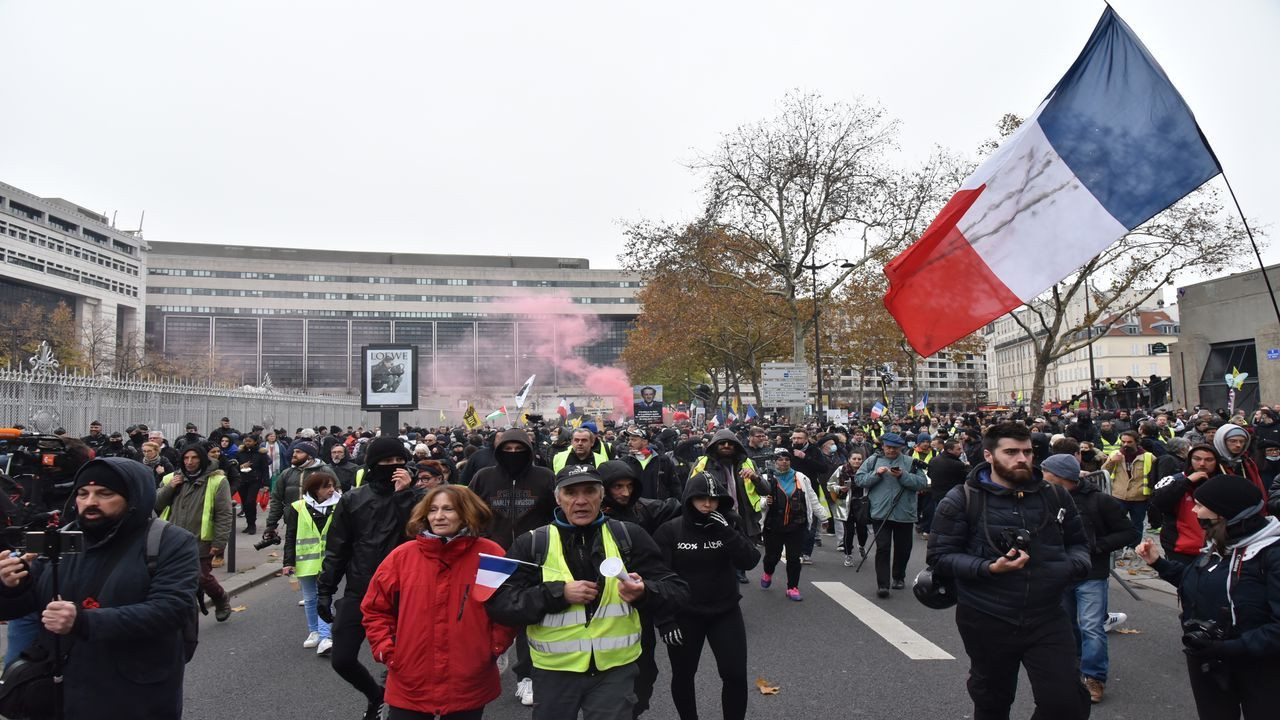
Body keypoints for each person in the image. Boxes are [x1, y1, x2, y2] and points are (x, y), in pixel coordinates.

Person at [484, 465, 690, 720]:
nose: (581, 501)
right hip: (554, 673)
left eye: (590, 491)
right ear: (558, 498)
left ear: (601, 496)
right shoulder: (533, 543)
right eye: (571, 493)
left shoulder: (628, 536)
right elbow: (500, 604)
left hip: (615, 671)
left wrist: (646, 592)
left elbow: (677, 591)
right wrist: (556, 594)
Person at [0, 458, 199, 720]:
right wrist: (12, 586)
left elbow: (169, 610)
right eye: (83, 493)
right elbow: (24, 607)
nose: (90, 501)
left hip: (136, 694)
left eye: (105, 493)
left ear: (134, 497)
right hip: (64, 691)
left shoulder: (171, 542)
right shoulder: (64, 538)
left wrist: (83, 621)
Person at [927, 422, 1092, 720]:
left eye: (1027, 452)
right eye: (1011, 452)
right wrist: (989, 567)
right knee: (992, 702)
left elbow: (1079, 544)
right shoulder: (962, 498)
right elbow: (940, 557)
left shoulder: (1054, 496)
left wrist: (1068, 568)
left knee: (1066, 704)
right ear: (989, 455)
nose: (1022, 459)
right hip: (986, 617)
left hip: (1047, 616)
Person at [362, 485, 517, 720]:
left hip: (469, 677)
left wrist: (493, 648)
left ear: (467, 513)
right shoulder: (402, 556)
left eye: (448, 509)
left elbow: (508, 607)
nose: (438, 516)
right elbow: (375, 608)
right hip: (410, 677)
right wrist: (388, 650)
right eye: (433, 510)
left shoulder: (490, 554)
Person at [1136, 474, 1280, 719]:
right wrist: (1159, 563)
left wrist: (1229, 647)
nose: (1194, 510)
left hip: (1258, 666)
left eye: (1200, 506)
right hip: (1208, 657)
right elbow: (1201, 582)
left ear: (1224, 513)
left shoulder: (1271, 554)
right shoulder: (1221, 543)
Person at [317, 436, 420, 720]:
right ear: (373, 465)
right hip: (361, 589)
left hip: (405, 592)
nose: (394, 467)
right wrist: (325, 590)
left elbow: (417, 534)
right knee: (343, 658)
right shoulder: (353, 499)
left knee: (401, 661)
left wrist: (403, 496)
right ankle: (377, 696)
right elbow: (338, 549)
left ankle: (399, 708)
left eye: (399, 462)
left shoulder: (417, 498)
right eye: (386, 462)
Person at [653, 471, 760, 720]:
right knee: (683, 674)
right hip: (684, 615)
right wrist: (665, 621)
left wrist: (727, 531)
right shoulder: (669, 531)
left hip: (725, 611)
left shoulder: (728, 524)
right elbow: (658, 578)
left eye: (713, 499)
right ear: (689, 498)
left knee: (734, 674)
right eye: (700, 498)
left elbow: (750, 560)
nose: (707, 504)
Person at [469, 427, 558, 707]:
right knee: (486, 611)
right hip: (492, 556)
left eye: (518, 449)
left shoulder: (545, 477)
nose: (513, 454)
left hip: (533, 556)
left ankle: (526, 677)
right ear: (497, 451)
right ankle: (496, 652)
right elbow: (469, 510)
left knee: (527, 617)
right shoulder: (484, 477)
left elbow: (557, 512)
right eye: (507, 450)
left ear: (529, 451)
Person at [1042, 453, 1139, 704]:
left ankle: (1094, 677)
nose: (1042, 479)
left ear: (1062, 477)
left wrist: (1095, 546)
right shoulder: (1044, 499)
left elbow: (1129, 532)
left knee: (1091, 626)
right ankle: (1074, 668)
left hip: (1091, 574)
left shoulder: (1100, 501)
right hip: (1060, 573)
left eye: (1047, 474)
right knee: (1066, 625)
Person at [155, 442, 234, 622]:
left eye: (194, 458)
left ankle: (220, 597)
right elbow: (157, 504)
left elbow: (224, 513)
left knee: (200, 578)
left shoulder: (217, 480)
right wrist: (170, 487)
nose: (189, 462)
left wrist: (219, 543)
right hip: (171, 538)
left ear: (203, 459)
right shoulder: (171, 478)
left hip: (200, 539)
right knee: (174, 578)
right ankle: (180, 614)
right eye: (186, 458)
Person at [855, 433, 928, 599]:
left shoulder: (910, 462)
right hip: (880, 513)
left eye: (895, 448)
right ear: (883, 446)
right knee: (883, 547)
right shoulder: (873, 461)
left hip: (904, 513)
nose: (891, 450)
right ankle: (883, 584)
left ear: (901, 448)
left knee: (903, 548)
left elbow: (923, 483)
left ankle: (898, 577)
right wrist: (876, 475)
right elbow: (859, 480)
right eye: (888, 447)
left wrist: (903, 475)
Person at [282, 467, 341, 656]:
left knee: (324, 595)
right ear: (315, 489)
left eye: (332, 486)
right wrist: (287, 562)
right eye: (326, 487)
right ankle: (314, 631)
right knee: (309, 598)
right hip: (305, 560)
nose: (331, 490)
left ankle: (325, 637)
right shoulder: (298, 507)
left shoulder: (340, 504)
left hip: (329, 560)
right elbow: (290, 536)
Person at [759, 448, 828, 601]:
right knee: (772, 556)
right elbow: (757, 501)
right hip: (773, 525)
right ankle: (768, 572)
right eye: (780, 459)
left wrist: (824, 518)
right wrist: (765, 502)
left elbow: (812, 499)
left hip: (797, 524)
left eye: (787, 459)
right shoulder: (766, 478)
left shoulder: (801, 477)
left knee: (794, 558)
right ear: (774, 461)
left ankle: (792, 587)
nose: (784, 462)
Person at [1151, 444, 1225, 565]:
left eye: (1208, 460)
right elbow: (1157, 502)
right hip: (1180, 547)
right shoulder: (1175, 479)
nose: (1202, 464)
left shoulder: (1223, 481)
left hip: (1216, 547)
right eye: (1197, 459)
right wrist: (1186, 482)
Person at [264, 440, 329, 542]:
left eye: (299, 452)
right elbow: (276, 500)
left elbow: (336, 497)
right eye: (294, 452)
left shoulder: (325, 471)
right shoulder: (286, 473)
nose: (294, 455)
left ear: (310, 456)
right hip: (292, 521)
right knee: (290, 554)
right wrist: (271, 524)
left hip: (318, 523)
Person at [1103, 430, 1156, 550]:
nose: (1126, 444)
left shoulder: (1148, 456)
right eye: (1123, 442)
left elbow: (1154, 476)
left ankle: (1133, 547)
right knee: (1115, 522)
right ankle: (1117, 545)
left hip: (1139, 496)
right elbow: (1104, 472)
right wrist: (1112, 461)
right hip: (1119, 495)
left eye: (1129, 442)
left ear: (1136, 442)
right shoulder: (1115, 454)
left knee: (1137, 524)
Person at [830, 450, 868, 565]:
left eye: (859, 459)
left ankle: (861, 546)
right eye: (854, 459)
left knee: (862, 530)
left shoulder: (866, 470)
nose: (856, 461)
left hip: (861, 504)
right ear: (849, 459)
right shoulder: (842, 470)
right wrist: (839, 488)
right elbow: (830, 484)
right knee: (849, 531)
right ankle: (848, 554)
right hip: (845, 504)